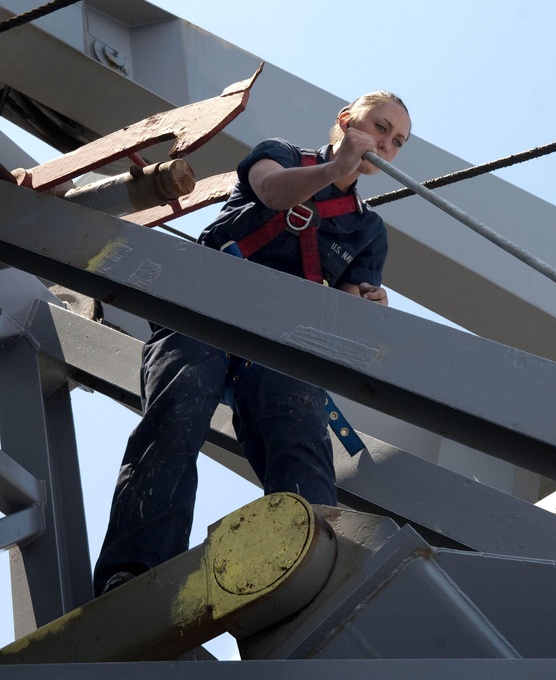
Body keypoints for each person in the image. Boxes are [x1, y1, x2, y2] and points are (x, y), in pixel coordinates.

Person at [92, 92, 412, 597]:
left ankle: (308, 581)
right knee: (177, 413)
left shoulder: (368, 230)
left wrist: (368, 306)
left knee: (298, 431)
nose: (385, 145)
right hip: (203, 310)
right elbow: (272, 194)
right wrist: (334, 170)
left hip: (280, 340)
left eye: (397, 142)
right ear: (347, 120)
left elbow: (347, 302)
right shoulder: (279, 154)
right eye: (380, 126)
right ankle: (136, 573)